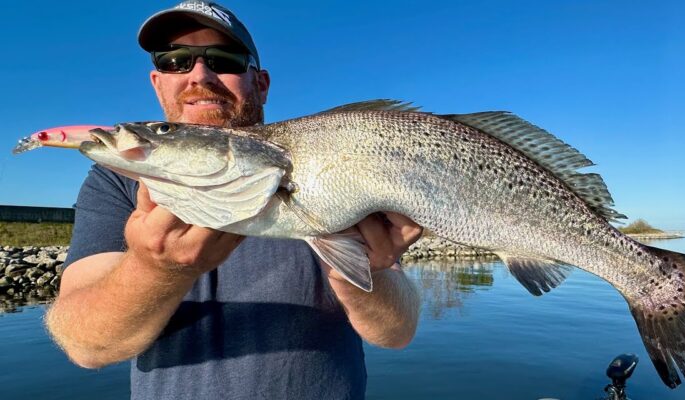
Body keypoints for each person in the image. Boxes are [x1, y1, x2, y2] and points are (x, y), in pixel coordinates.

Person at [44, 2, 422, 399]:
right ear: (157, 83)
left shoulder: (339, 164)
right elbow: (85, 346)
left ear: (260, 84)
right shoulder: (118, 180)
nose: (199, 76)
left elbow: (397, 332)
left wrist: (368, 271)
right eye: (176, 61)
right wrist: (155, 269)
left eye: (224, 59)